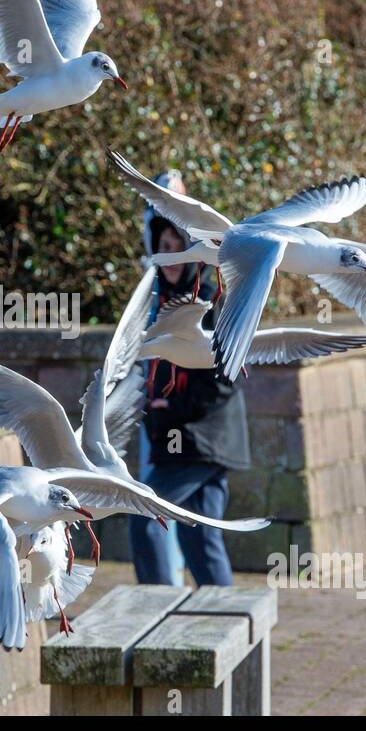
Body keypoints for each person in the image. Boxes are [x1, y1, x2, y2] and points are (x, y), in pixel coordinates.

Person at [128, 171, 251, 587]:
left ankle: (155, 613)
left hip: (202, 442)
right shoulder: (158, 303)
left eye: (180, 248)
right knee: (201, 537)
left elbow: (224, 378)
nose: (173, 257)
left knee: (146, 516)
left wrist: (169, 410)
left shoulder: (213, 301)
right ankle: (229, 624)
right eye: (165, 247)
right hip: (189, 443)